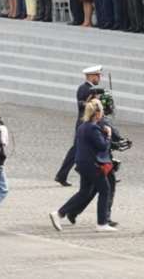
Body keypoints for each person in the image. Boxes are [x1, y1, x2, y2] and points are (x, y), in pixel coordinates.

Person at [50, 99, 115, 232]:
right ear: (97, 113)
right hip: (92, 165)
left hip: (82, 163)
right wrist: (108, 135)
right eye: (101, 112)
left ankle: (59, 213)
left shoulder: (83, 126)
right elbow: (103, 146)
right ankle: (102, 223)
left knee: (84, 192)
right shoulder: (93, 128)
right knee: (105, 190)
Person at [55, 65, 103, 186]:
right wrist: (92, 102)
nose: (99, 78)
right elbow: (81, 104)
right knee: (77, 150)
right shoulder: (84, 88)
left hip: (88, 123)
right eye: (97, 76)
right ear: (91, 76)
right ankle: (63, 174)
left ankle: (104, 173)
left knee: (84, 149)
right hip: (84, 123)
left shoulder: (92, 89)